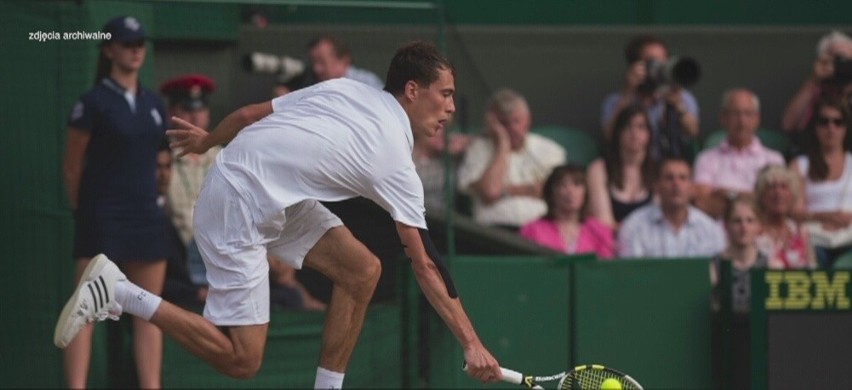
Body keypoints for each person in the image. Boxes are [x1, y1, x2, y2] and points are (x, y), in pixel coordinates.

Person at [54, 41, 502, 388]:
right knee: (243, 360)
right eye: (445, 95)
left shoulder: (348, 89)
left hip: (262, 186)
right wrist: (472, 343)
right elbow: (425, 263)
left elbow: (250, 113)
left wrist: (208, 141)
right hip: (238, 203)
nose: (451, 108)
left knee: (362, 270)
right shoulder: (393, 159)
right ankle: (120, 292)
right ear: (412, 90)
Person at [60, 15, 167, 388]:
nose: (136, 49)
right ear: (108, 50)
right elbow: (72, 167)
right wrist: (85, 212)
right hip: (101, 218)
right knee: (84, 311)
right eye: (126, 43)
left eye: (140, 43)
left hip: (146, 220)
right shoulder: (92, 102)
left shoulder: (155, 104)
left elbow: (161, 162)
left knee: (149, 312)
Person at [457, 88, 566, 230]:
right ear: (492, 123)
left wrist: (505, 191)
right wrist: (503, 145)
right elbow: (490, 191)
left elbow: (558, 196)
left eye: (516, 121)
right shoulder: (477, 150)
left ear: (528, 119)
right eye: (504, 123)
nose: (511, 128)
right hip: (495, 232)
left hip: (543, 231)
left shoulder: (551, 151)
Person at [159, 74, 221, 290]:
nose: (195, 117)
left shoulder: (222, 158)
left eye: (200, 109)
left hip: (222, 257)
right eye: (187, 109)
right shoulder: (161, 158)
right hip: (177, 263)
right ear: (171, 114)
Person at [601, 35, 700, 160]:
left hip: (670, 168)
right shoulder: (616, 101)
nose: (659, 67)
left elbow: (693, 132)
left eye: (663, 61)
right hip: (634, 166)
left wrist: (677, 105)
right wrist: (628, 92)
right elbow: (610, 135)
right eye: (652, 61)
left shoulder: (682, 97)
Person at [693, 89, 785, 220]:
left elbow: (773, 205)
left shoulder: (774, 159)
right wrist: (754, 197)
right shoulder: (706, 159)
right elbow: (703, 203)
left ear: (757, 119)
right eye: (735, 114)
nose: (742, 121)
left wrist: (726, 194)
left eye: (748, 114)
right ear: (723, 118)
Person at [618, 157, 726, 258]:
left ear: (692, 187)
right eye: (669, 178)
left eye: (683, 178)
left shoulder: (710, 230)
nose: (676, 184)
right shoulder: (634, 226)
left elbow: (715, 274)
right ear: (657, 186)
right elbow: (631, 274)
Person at [789, 98, 852, 267]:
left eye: (838, 122)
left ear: (846, 128)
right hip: (814, 234)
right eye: (824, 122)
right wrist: (825, 217)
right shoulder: (800, 165)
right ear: (815, 128)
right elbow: (794, 211)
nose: (831, 128)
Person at [519, 164, 614, 259]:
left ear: (585, 192)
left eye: (577, 184)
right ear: (552, 192)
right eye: (562, 185)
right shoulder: (532, 230)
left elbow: (607, 268)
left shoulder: (599, 232)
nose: (570, 191)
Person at [586, 105, 656, 230]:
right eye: (628, 126)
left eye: (641, 127)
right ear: (618, 133)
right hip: (610, 243)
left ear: (649, 134)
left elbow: (659, 221)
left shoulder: (658, 171)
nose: (634, 133)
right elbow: (604, 224)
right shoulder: (599, 169)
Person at [781, 31, 852, 140]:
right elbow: (788, 125)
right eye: (837, 61)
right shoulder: (816, 91)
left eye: (847, 61)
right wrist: (813, 80)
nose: (842, 66)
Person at [754, 165, 816, 269]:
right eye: (771, 187)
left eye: (784, 187)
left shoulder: (801, 232)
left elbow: (812, 269)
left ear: (792, 195)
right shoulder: (752, 230)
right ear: (761, 195)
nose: (778, 193)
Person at [413, 124, 471, 212]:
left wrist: (465, 143)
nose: (440, 131)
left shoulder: (449, 160)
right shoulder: (405, 155)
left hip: (437, 221)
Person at [307, 35, 384, 89]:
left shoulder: (367, 83)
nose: (316, 69)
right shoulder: (310, 85)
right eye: (313, 62)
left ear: (343, 61)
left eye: (322, 62)